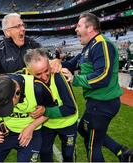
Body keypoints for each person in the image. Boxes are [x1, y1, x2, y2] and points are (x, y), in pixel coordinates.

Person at [50, 13, 133, 162]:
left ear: (90, 28)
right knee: (83, 129)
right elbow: (70, 64)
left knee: (92, 144)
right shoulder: (89, 46)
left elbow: (103, 76)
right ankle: (122, 152)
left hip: (103, 103)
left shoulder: (102, 44)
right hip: (96, 103)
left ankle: (122, 152)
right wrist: (54, 62)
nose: (75, 29)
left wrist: (75, 79)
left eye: (79, 26)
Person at [24, 48, 78, 162]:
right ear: (29, 70)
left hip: (68, 123)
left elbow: (70, 108)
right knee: (44, 154)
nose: (44, 76)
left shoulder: (58, 75)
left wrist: (45, 111)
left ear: (49, 63)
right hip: (47, 125)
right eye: (38, 74)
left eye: (46, 70)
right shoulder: (26, 76)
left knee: (68, 156)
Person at [0, 13, 41, 96]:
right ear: (7, 32)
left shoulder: (32, 44)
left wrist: (54, 61)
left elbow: (48, 59)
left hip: (35, 98)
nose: (23, 29)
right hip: (10, 100)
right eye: (18, 26)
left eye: (23, 25)